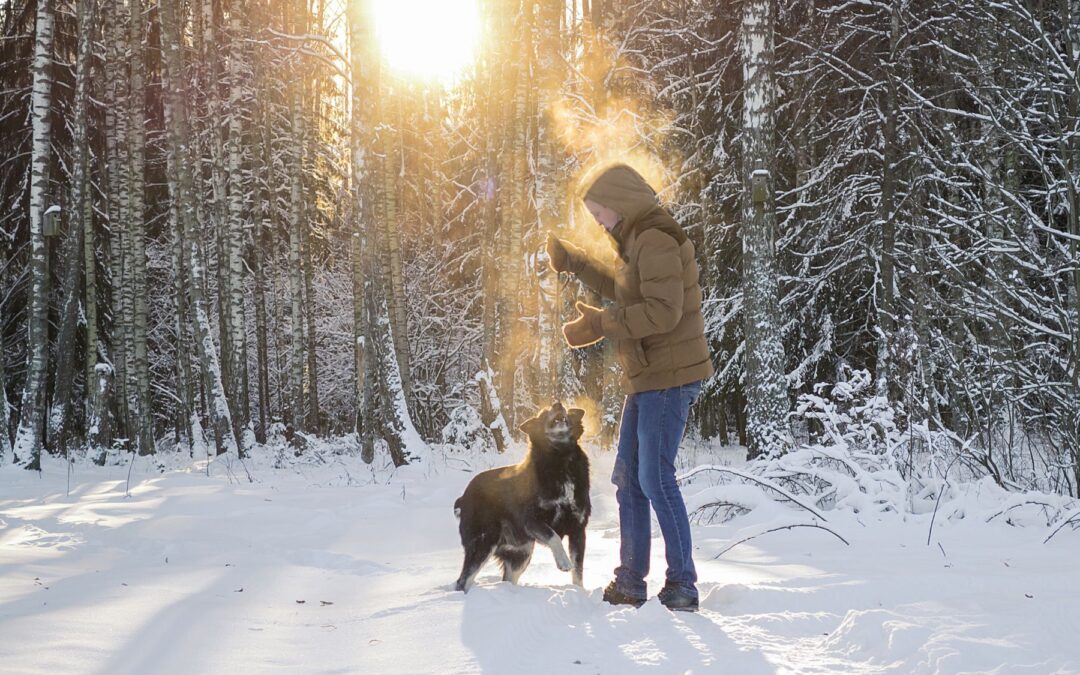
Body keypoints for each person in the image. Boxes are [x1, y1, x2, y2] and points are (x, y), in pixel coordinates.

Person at [547, 163, 714, 612]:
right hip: (649, 376)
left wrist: (601, 324)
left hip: (669, 377)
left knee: (655, 478)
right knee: (629, 480)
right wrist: (577, 262)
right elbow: (625, 289)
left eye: (600, 212)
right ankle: (630, 582)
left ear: (619, 203)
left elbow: (662, 312)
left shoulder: (657, 237)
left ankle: (682, 585)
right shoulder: (638, 239)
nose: (599, 222)